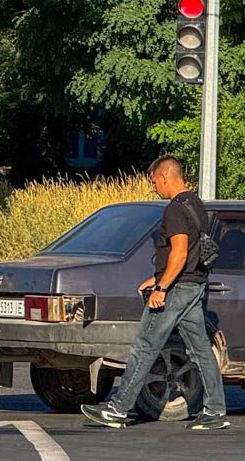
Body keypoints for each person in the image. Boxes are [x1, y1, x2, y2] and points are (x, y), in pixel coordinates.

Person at [81, 156, 229, 430]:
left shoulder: (174, 210)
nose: (155, 188)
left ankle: (118, 409)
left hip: (176, 289)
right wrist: (156, 277)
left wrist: (161, 287)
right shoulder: (196, 205)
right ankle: (216, 411)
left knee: (144, 347)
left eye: (154, 182)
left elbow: (181, 251)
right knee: (200, 350)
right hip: (194, 286)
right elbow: (194, 251)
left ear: (164, 177)